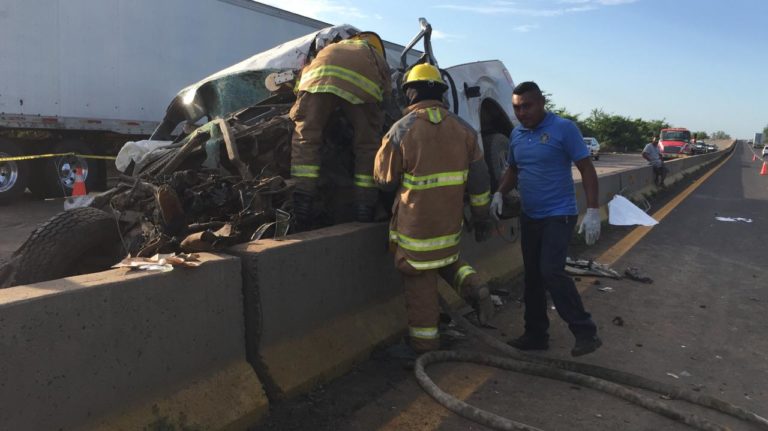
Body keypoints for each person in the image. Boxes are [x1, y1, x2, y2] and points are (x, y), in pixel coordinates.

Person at [374, 64, 494, 353]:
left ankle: (424, 346)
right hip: (449, 227)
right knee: (446, 260)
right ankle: (475, 286)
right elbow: (480, 183)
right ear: (441, 92)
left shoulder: (401, 130)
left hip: (416, 230)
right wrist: (481, 219)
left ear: (410, 93)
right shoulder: (464, 130)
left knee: (421, 285)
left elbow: (383, 180)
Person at [490, 81, 602, 357]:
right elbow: (514, 169)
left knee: (551, 270)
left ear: (541, 103)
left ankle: (585, 332)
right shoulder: (517, 134)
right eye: (516, 107)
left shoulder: (563, 129)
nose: (521, 113)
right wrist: (499, 193)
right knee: (533, 277)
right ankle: (536, 334)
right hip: (530, 216)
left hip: (559, 214)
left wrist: (593, 210)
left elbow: (586, 169)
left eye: (527, 106)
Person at [290, 31, 391, 226]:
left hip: (316, 81)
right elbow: (386, 98)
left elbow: (299, 84)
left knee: (306, 138)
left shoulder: (331, 48)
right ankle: (364, 208)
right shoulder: (375, 56)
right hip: (363, 88)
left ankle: (301, 201)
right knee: (367, 146)